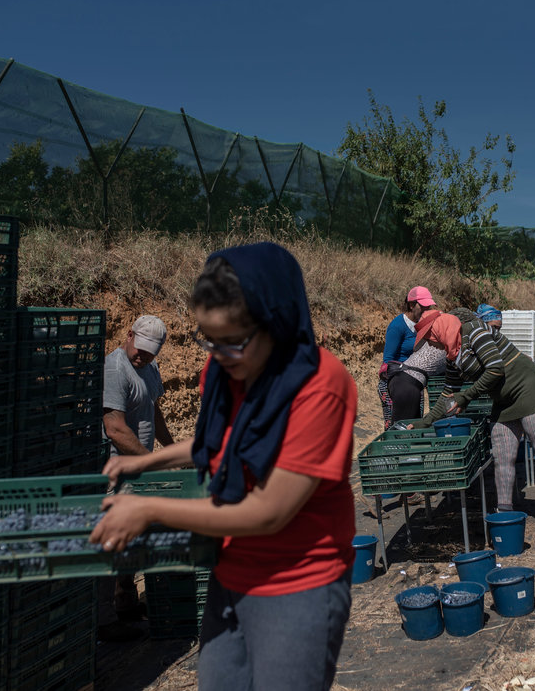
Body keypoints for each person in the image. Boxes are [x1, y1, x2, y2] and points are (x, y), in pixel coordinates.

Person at [91, 242, 357, 691]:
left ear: (276, 320)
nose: (218, 354)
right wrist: (145, 463)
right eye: (208, 339)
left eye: (233, 341)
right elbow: (219, 445)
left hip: (296, 585)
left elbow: (269, 511)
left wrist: (150, 509)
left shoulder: (319, 387)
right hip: (230, 571)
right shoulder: (228, 370)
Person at [410, 308, 535, 533]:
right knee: (502, 457)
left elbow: (495, 368)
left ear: (439, 331)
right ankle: (505, 518)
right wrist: (426, 421)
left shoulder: (474, 332)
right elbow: (449, 394)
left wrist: (466, 396)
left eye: (431, 340)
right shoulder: (453, 357)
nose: (433, 345)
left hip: (529, 390)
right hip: (503, 400)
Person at [101, 314, 175, 629]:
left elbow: (152, 409)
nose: (143, 355)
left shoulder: (149, 368)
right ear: (129, 335)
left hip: (140, 466)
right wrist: (150, 461)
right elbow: (115, 429)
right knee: (119, 536)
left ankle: (127, 602)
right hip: (117, 469)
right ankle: (113, 610)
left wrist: (170, 450)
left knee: (136, 536)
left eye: (151, 351)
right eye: (140, 348)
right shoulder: (116, 368)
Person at [377, 286, 436, 430]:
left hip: (415, 383)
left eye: (428, 306)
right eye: (422, 306)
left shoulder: (423, 325)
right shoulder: (397, 326)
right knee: (397, 428)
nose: (426, 310)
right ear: (411, 305)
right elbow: (388, 361)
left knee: (414, 426)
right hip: (396, 384)